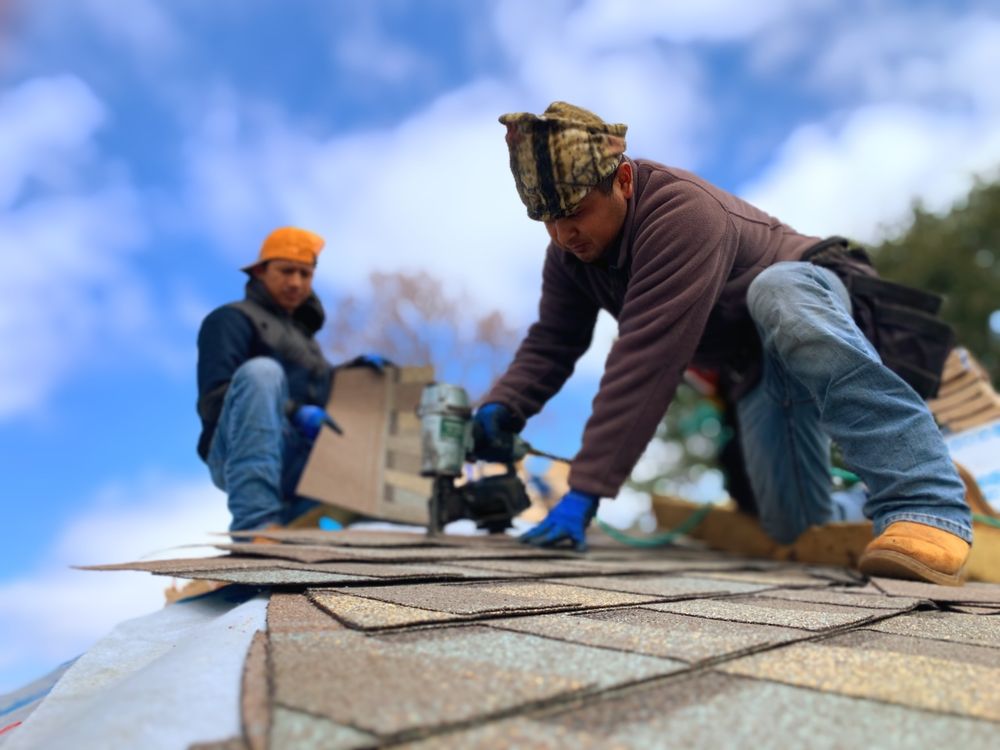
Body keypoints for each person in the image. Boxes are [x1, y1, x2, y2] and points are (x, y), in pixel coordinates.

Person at [473, 101, 972, 585]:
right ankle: (868, 505)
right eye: (547, 221)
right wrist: (504, 405)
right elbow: (551, 342)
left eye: (576, 212)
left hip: (813, 305)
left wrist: (585, 491)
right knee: (794, 528)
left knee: (777, 290)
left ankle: (927, 503)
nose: (563, 235)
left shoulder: (680, 212)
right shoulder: (568, 258)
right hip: (755, 363)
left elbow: (648, 357)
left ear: (622, 181)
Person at [196, 227, 385, 531]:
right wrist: (293, 412)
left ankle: (312, 528)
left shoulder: (305, 341)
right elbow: (214, 400)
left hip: (301, 462)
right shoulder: (230, 320)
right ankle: (255, 525)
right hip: (239, 452)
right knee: (263, 373)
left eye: (305, 274)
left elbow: (323, 397)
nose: (296, 282)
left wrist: (354, 373)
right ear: (260, 271)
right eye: (286, 271)